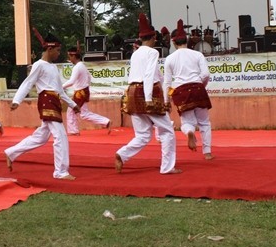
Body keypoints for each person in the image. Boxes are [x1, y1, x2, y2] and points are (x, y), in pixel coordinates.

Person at [4, 29, 80, 180]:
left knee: (41, 137)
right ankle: (60, 172)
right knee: (60, 136)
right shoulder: (38, 65)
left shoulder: (52, 67)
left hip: (54, 101)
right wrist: (16, 100)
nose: (59, 53)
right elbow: (28, 83)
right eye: (57, 50)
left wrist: (72, 104)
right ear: (49, 49)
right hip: (47, 101)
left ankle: (11, 152)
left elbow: (60, 90)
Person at [115, 14, 181, 175]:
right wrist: (150, 98)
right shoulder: (152, 52)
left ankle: (122, 154)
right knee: (167, 131)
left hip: (131, 92)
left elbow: (154, 74)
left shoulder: (136, 53)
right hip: (146, 91)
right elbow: (149, 76)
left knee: (143, 134)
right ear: (153, 37)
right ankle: (167, 167)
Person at [163, 19, 214, 160]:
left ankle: (190, 132)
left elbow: (167, 82)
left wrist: (166, 101)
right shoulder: (197, 54)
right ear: (187, 40)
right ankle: (207, 152)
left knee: (186, 122)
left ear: (173, 43)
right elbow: (206, 74)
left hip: (181, 91)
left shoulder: (170, 58)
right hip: (197, 87)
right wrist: (201, 86)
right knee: (204, 122)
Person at [62, 47, 110, 136]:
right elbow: (89, 77)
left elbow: (72, 81)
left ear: (73, 56)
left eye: (70, 56)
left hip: (80, 92)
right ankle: (105, 121)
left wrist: (60, 87)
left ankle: (73, 131)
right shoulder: (82, 65)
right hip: (83, 91)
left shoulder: (77, 67)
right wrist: (84, 85)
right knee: (84, 114)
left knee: (71, 110)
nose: (69, 59)